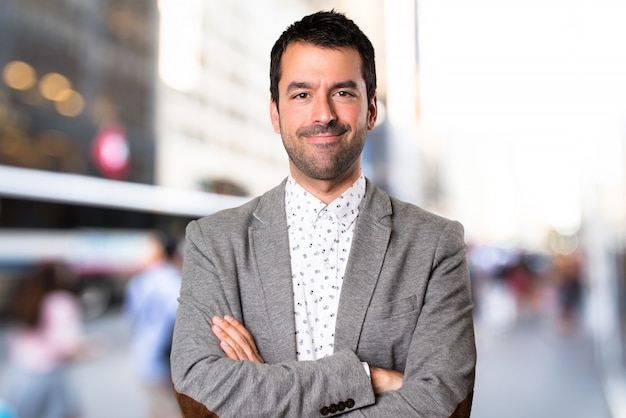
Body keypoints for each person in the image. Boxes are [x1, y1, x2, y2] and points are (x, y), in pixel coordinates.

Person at [171, 10, 476, 417]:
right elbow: (197, 390)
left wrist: (264, 389)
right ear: (275, 113)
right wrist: (366, 378)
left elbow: (443, 404)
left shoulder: (436, 244)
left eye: (343, 93)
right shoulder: (214, 242)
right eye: (301, 94)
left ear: (371, 110)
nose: (323, 114)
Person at [1, 261, 96, 418]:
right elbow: (66, 346)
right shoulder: (61, 301)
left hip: (21, 372)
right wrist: (90, 348)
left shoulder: (26, 296)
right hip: (49, 374)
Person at [125, 232, 182, 418]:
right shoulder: (175, 281)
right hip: (164, 361)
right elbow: (179, 323)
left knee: (157, 407)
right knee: (172, 410)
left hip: (143, 355)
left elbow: (132, 318)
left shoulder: (138, 281)